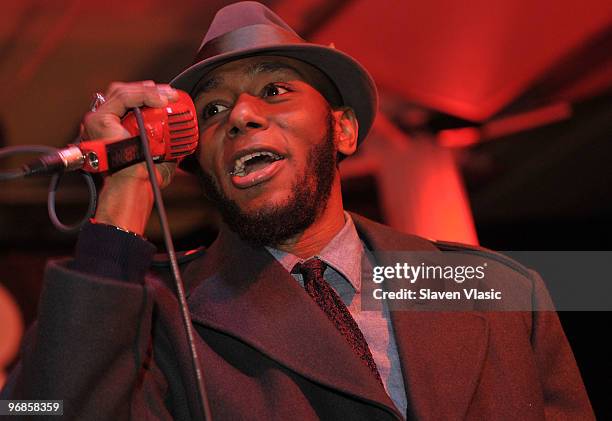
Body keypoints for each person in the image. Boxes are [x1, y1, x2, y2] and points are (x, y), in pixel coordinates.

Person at [1, 2, 594, 420]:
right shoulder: (156, 309)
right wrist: (124, 194)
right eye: (211, 112)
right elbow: (39, 409)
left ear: (343, 128)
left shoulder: (490, 284)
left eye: (276, 90)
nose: (239, 116)